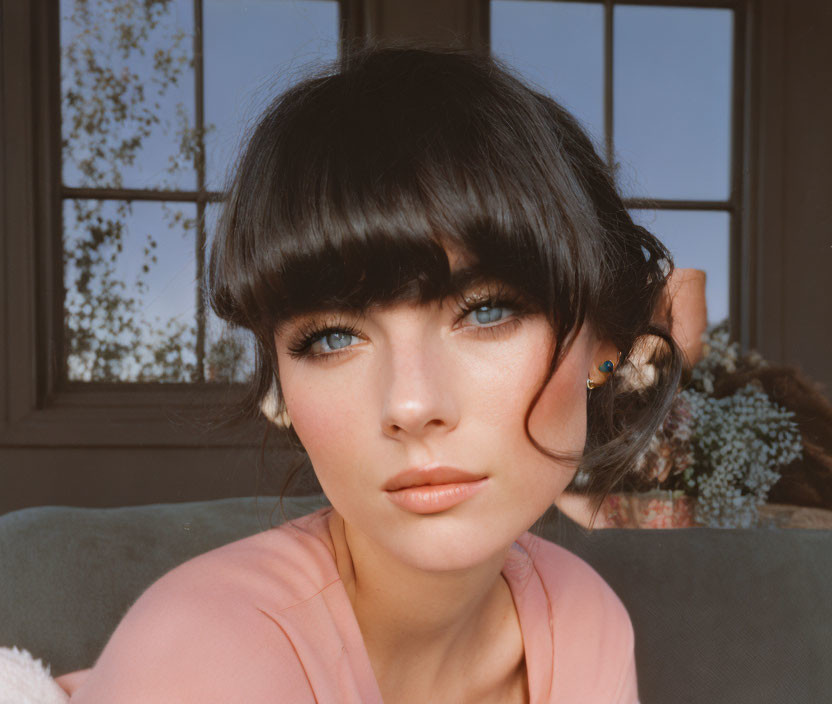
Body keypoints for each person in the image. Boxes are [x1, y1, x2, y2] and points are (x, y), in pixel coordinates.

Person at [61, 42, 683, 703]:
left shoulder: (585, 624)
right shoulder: (202, 659)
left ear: (605, 347)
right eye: (331, 338)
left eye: (488, 310)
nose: (411, 405)